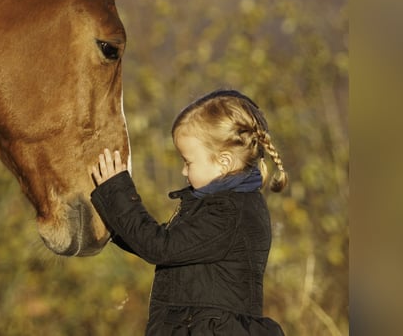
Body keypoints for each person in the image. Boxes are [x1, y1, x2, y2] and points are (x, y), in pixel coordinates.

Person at [91, 89, 288, 335]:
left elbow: (159, 247)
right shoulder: (224, 205)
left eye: (188, 162)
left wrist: (115, 191)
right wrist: (114, 225)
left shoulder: (228, 213)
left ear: (223, 162)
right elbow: (166, 246)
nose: (184, 172)